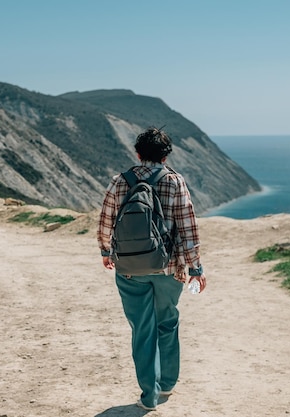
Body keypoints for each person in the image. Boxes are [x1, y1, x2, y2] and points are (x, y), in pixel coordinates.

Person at [97, 126, 207, 411]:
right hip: (169, 269)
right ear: (166, 156)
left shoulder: (120, 181)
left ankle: (149, 395)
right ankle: (168, 384)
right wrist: (196, 268)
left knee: (142, 330)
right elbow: (188, 227)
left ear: (137, 154)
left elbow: (106, 219)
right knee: (167, 322)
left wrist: (105, 251)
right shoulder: (175, 181)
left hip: (130, 269)